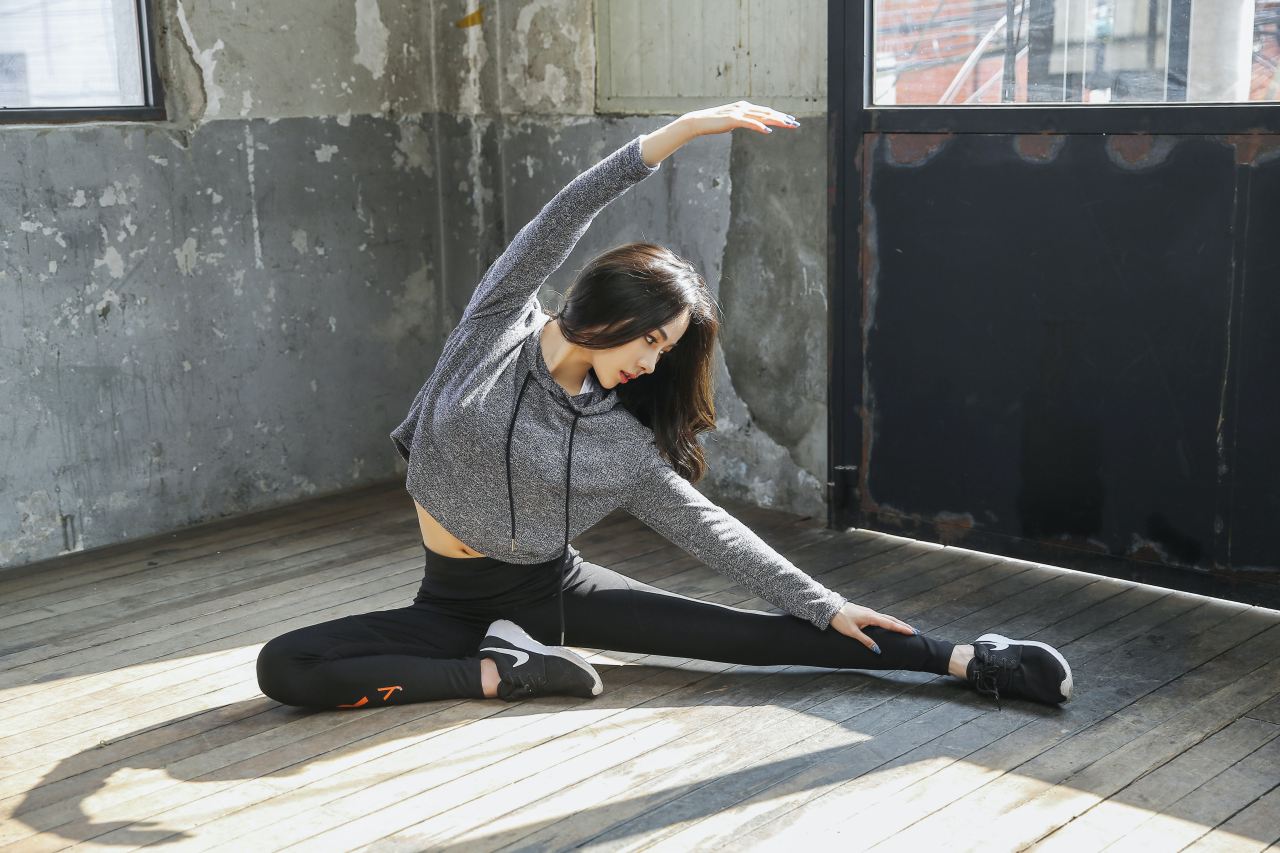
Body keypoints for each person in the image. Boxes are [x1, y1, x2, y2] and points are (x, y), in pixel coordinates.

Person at [256, 101, 1072, 713]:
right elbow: (561, 215)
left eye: (665, 353)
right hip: (452, 604)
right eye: (652, 342)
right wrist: (675, 135)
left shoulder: (619, 438)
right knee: (283, 667)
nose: (652, 364)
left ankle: (968, 659)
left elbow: (709, 528)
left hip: (549, 590)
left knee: (760, 639)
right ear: (615, 312)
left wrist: (822, 600)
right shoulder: (495, 328)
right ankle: (502, 673)